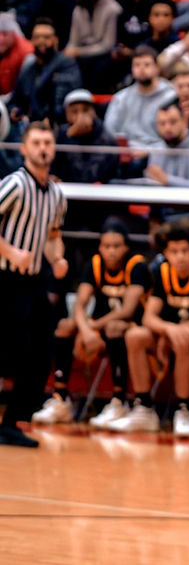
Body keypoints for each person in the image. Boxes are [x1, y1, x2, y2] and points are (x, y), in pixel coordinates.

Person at [31, 219, 150, 428]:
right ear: (99, 247)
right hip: (98, 328)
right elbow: (79, 304)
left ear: (127, 247)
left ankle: (119, 401)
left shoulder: (136, 266)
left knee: (115, 327)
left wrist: (92, 328)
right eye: (106, 246)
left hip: (130, 327)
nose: (111, 252)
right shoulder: (95, 264)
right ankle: (61, 399)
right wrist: (86, 331)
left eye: (116, 246)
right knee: (65, 326)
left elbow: (127, 310)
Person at [109, 219, 189, 436]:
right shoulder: (161, 273)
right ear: (166, 253)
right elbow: (149, 319)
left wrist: (169, 333)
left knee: (184, 338)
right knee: (135, 335)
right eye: (174, 251)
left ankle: (184, 409)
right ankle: (143, 408)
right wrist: (168, 331)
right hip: (173, 337)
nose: (180, 256)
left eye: (185, 250)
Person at [0, 121, 67, 447]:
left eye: (48, 143)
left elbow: (53, 236)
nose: (43, 148)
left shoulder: (56, 194)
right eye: (37, 142)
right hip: (4, 278)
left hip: (33, 282)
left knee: (43, 351)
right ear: (24, 149)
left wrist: (57, 259)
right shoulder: (14, 185)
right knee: (14, 350)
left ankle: (12, 421)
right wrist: (10, 250)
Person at [8, 17, 82, 128]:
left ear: (56, 40)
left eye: (46, 37)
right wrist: (13, 111)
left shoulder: (67, 65)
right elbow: (15, 101)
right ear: (31, 40)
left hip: (58, 127)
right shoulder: (28, 69)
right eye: (37, 37)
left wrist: (49, 119)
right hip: (30, 127)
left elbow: (60, 103)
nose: (41, 41)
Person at [104, 47, 178, 150]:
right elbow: (109, 131)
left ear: (157, 68)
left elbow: (177, 134)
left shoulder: (172, 96)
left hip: (161, 153)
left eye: (147, 65)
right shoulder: (121, 98)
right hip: (127, 154)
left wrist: (149, 151)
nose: (141, 69)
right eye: (137, 65)